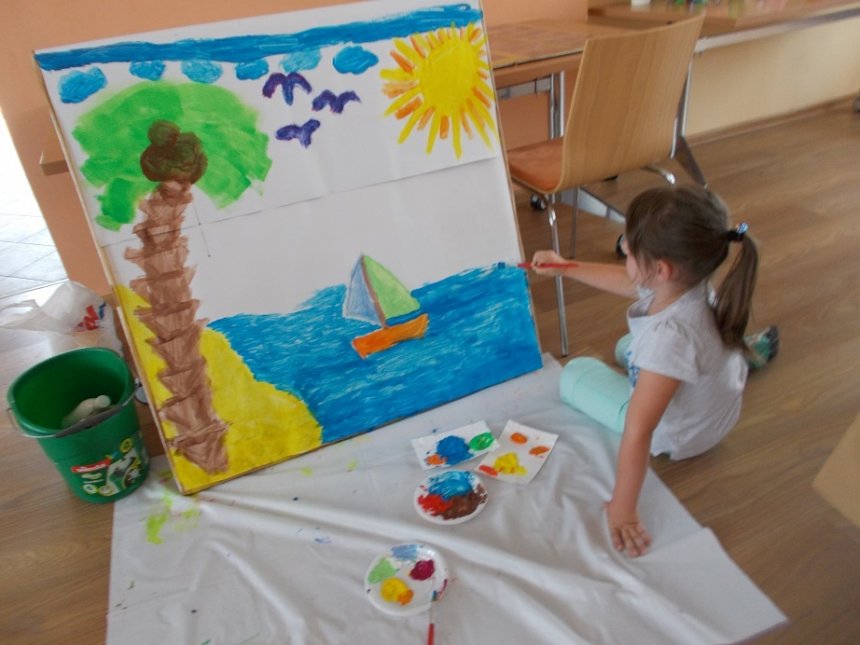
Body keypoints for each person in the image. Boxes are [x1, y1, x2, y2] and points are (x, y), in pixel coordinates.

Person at [529, 185, 778, 558]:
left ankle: (724, 363)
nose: (624, 251)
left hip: (683, 434)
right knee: (625, 347)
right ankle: (743, 355)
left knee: (575, 372)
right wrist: (563, 266)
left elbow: (639, 429)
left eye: (628, 250)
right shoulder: (690, 285)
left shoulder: (669, 339)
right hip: (717, 407)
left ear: (661, 269)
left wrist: (623, 508)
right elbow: (631, 281)